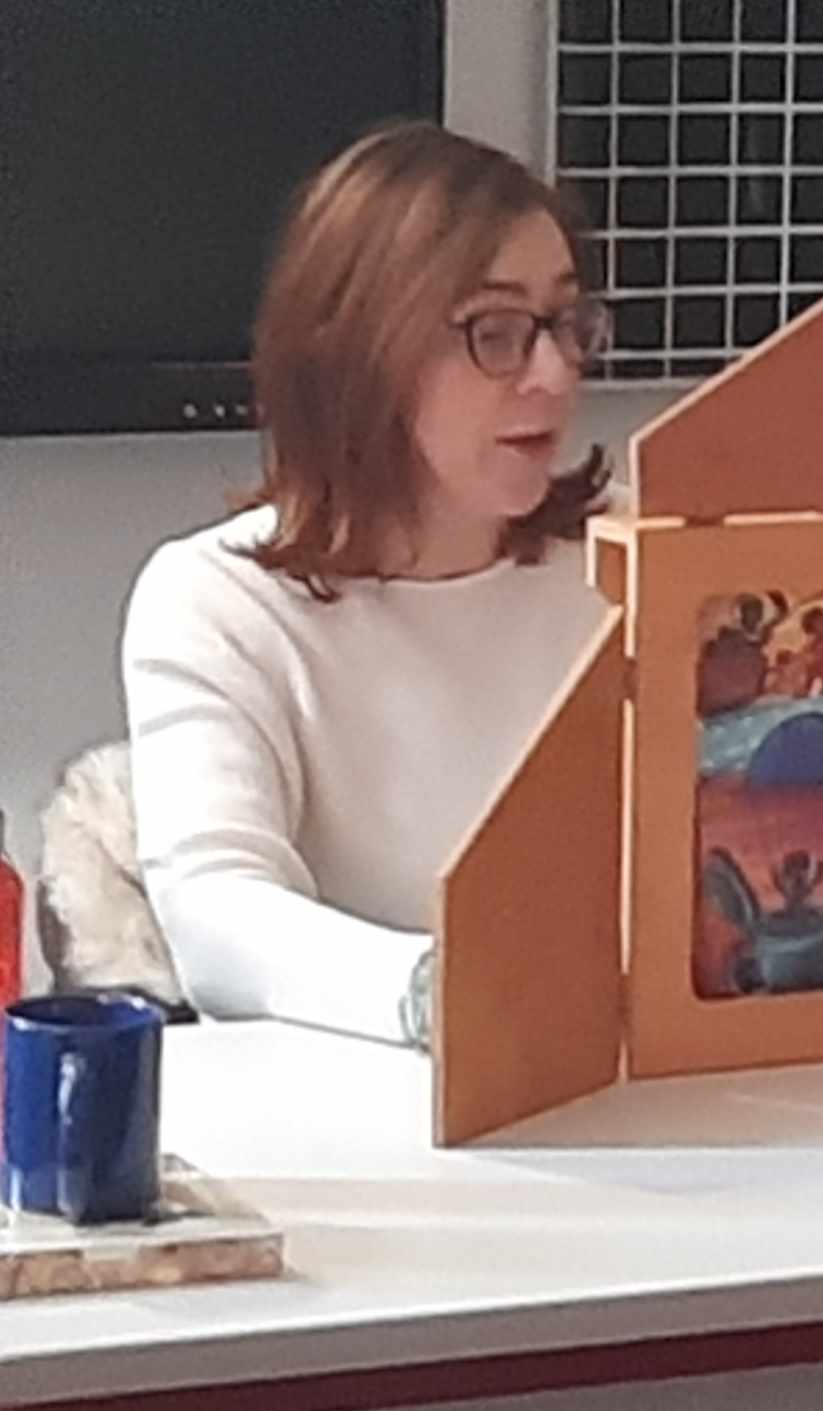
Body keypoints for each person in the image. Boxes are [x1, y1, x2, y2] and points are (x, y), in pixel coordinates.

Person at [120, 122, 617, 1048]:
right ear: (364, 352)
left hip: (639, 1094)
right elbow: (215, 915)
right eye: (496, 333)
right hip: (362, 1101)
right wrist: (447, 995)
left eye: (565, 324)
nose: (553, 375)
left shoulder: (636, 560)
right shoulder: (214, 599)